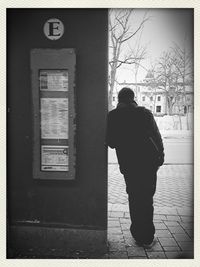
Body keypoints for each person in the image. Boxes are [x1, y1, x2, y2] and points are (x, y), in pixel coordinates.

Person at [106, 87, 164, 247]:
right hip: (148, 164)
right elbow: (157, 136)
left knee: (134, 197)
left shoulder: (113, 116)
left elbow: (110, 142)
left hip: (129, 166)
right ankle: (147, 237)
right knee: (146, 198)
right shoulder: (145, 113)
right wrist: (160, 158)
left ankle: (138, 234)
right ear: (133, 99)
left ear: (119, 100)